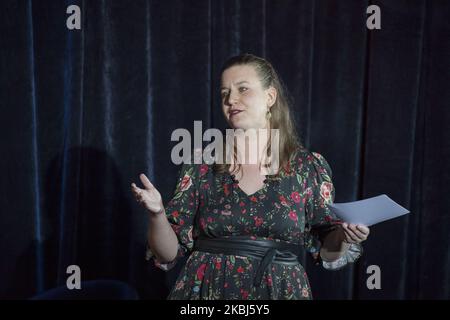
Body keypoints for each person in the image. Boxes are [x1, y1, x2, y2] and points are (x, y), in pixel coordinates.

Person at [131, 53, 370, 300]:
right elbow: (166, 254)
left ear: (270, 97)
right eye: (225, 93)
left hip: (280, 291)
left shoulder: (307, 167)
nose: (231, 99)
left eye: (243, 89)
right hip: (206, 292)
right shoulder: (202, 163)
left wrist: (344, 236)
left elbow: (327, 249)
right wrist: (157, 213)